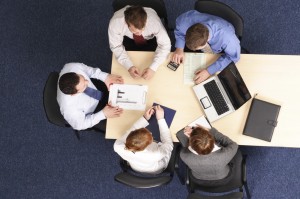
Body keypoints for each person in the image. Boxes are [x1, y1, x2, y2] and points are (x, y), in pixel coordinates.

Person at [171, 10, 241, 84]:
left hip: (223, 37)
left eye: (198, 48)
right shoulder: (185, 21)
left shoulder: (228, 39)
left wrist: (209, 71)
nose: (195, 51)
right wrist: (179, 48)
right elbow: (180, 32)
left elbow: (234, 57)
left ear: (207, 40)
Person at [108, 5, 171, 80]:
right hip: (128, 38)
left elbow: (165, 45)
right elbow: (116, 47)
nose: (140, 33)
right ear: (126, 23)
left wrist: (153, 68)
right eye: (135, 31)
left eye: (142, 28)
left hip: (150, 38)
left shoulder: (154, 22)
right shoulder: (115, 24)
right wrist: (129, 66)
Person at [57, 63, 124, 131]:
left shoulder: (72, 66)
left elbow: (90, 71)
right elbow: (81, 125)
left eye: (83, 78)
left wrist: (106, 77)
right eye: (84, 86)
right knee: (119, 125)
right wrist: (103, 114)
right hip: (95, 111)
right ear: (74, 94)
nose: (87, 82)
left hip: (97, 88)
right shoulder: (69, 110)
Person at [114, 105, 173, 174]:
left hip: (135, 167)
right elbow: (169, 143)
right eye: (151, 136)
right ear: (150, 143)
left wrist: (145, 118)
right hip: (155, 169)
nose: (150, 132)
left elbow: (133, 129)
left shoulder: (117, 146)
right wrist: (161, 119)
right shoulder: (155, 154)